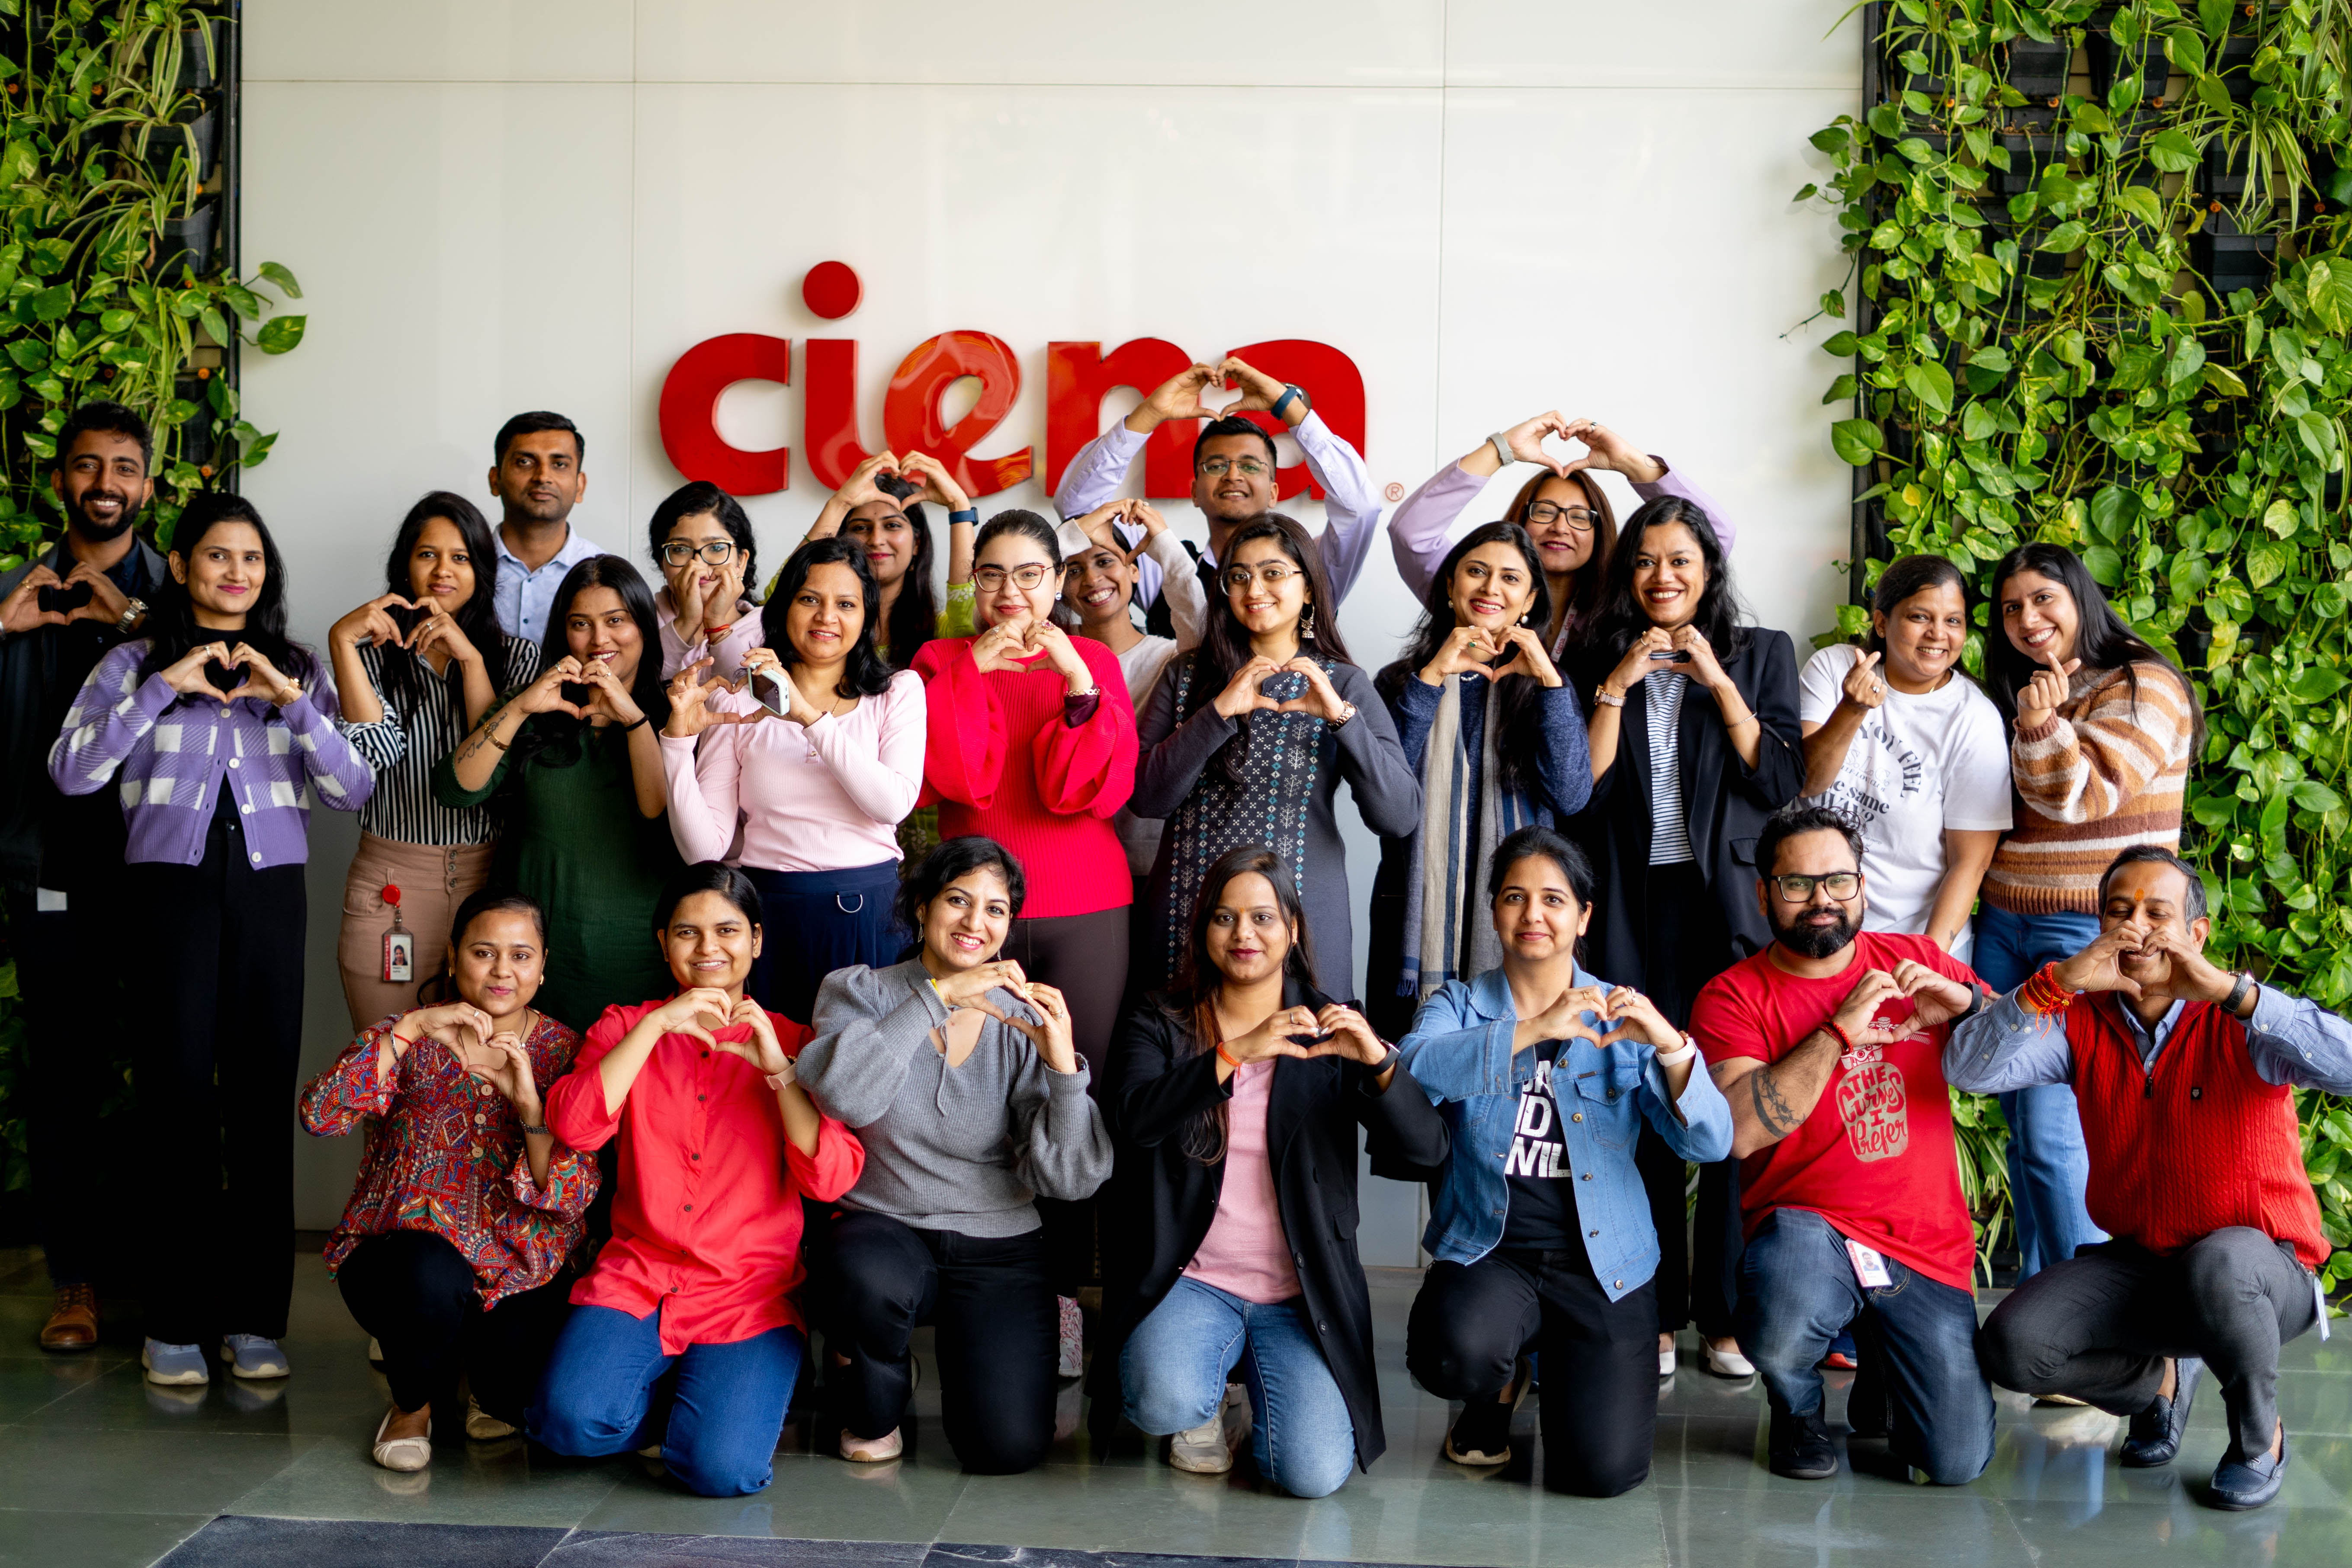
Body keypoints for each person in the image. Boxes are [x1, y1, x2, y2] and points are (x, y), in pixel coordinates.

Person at [50, 493, 373, 1386]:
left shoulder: (298, 666)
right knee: (177, 1103)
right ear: (184, 565)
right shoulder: (130, 663)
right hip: (168, 895)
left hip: (270, 894)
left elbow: (353, 788)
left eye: (252, 559)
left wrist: (293, 704)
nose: (237, 573)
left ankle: (256, 1322)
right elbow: (73, 771)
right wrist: (164, 688)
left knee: (260, 1104)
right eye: (218, 557)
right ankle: (174, 1325)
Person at [1957, 847, 2350, 1511]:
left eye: (2156, 913)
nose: (2136, 926)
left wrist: (2234, 992)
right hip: (2144, 1262)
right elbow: (1968, 1070)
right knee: (2012, 1346)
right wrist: (2055, 982)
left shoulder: (2242, 1022)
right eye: (2119, 911)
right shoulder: (2082, 1019)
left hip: (2261, 1272)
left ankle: (2260, 1443)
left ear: (2196, 934)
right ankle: (2158, 1383)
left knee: (2221, 1265)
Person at [1399, 826, 1730, 1494]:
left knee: (1601, 1474)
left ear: (1583, 917)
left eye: (1554, 899)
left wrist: (1669, 1047)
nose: (1533, 915)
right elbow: (1413, 1072)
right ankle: (1496, 1382)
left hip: (1604, 1263)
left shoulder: (1622, 1017)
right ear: (1494, 910)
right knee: (1453, 1355)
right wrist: (1535, 1030)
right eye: (1515, 897)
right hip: (1493, 1253)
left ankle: (1561, 1364)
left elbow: (1711, 1141)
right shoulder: (1458, 1005)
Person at [1110, 843, 1447, 1497]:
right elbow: (1132, 1121)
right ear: (1203, 928)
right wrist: (1235, 1052)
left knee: (1314, 1475)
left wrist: (1378, 1064)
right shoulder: (1162, 1019)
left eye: (1263, 918)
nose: (1244, 935)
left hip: (1297, 1299)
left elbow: (1426, 1148)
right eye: (1225, 917)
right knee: (1162, 1399)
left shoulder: (1329, 1025)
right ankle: (1203, 1399)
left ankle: (1249, 1395)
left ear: (1293, 929)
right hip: (1193, 1280)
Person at [530, 863, 861, 1497]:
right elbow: (576, 1127)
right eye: (687, 933)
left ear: (757, 940)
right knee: (565, 1424)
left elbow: (832, 1178)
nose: (708, 949)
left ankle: (728, 1407)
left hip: (750, 1294)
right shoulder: (624, 1027)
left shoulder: (795, 1040)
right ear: (663, 944)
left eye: (727, 931)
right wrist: (657, 1026)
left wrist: (779, 1073)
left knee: (721, 1471)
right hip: (638, 1275)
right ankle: (685, 1407)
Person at [1566, 495, 1802, 1379]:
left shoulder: (1760, 651)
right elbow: (1579, 796)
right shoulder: (1596, 654)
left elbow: (1779, 779)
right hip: (1631, 898)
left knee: (1731, 1099)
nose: (1663, 576)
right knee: (1647, 1097)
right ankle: (1659, 1308)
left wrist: (1718, 680)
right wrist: (1619, 685)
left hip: (1727, 908)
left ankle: (1728, 1316)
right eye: (1646, 561)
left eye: (1680, 560)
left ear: (1708, 570)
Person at [1692, 804, 1993, 1486]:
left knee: (1955, 1461)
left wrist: (1971, 1007)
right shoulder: (1732, 996)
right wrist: (1837, 1032)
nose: (1821, 899)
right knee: (1782, 1303)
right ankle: (1796, 1407)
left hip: (1923, 1247)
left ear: (1862, 883)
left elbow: (2021, 1048)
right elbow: (1740, 1131)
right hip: (1809, 1236)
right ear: (1765, 892)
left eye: (1838, 881)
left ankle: (1885, 1375)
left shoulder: (1915, 959)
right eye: (1798, 884)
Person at [797, 837, 1114, 1471]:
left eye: (996, 910)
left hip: (1000, 1242)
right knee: (865, 1276)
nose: (975, 923)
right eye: (958, 901)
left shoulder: (1022, 1018)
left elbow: (1071, 1179)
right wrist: (937, 997)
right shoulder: (860, 992)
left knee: (1007, 1449)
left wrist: (1061, 1069)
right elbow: (843, 1097)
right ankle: (876, 1390)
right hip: (882, 1230)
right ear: (920, 906)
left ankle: (933, 1359)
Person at [298, 889, 595, 1470]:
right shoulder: (409, 1037)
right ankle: (413, 1403)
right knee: (428, 1274)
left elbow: (571, 1196)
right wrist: (409, 1029)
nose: (503, 970)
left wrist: (530, 1106)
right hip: (406, 1262)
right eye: (484, 952)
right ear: (454, 957)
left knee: (516, 1399)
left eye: (521, 955)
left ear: (543, 965)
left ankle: (478, 1379)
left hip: (516, 1269)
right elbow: (321, 1114)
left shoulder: (566, 1050)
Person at [1977, 542, 2203, 1283]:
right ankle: (2049, 1318)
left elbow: (2085, 797)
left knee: (2052, 1138)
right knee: (2023, 1137)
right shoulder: (2035, 689)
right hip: (2004, 924)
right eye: (2011, 607)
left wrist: (2040, 726)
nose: (2026, 618)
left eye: (2043, 598)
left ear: (2080, 597)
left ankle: (2086, 1333)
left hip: (2081, 931)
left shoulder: (2145, 684)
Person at [0, 402, 167, 1352]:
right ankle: (75, 1282)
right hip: (53, 871)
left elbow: (219, 673)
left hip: (160, 868)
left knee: (172, 1069)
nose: (105, 483)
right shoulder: (14, 591)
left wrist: (139, 619)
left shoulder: (180, 590)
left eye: (123, 467)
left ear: (147, 485)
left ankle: (162, 1279)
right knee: (64, 1076)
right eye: (87, 466)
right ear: (60, 479)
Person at [1133, 513, 1418, 1001]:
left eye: (1272, 572)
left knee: (1303, 1065)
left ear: (1308, 589)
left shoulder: (1342, 684)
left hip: (1300, 917)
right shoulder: (1184, 676)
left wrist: (1341, 718)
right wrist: (1218, 711)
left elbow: (1398, 815)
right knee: (1183, 1067)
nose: (1253, 588)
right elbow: (1146, 796)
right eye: (1238, 575)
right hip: (1189, 914)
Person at [909, 512, 1137, 1074]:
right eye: (992, 575)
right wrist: (972, 668)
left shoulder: (1096, 660)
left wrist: (1078, 680)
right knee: (971, 1077)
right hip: (972, 910)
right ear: (975, 579)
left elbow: (1107, 791)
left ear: (1058, 581)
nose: (1010, 591)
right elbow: (926, 780)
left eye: (1029, 574)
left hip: (1088, 902)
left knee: (1083, 1076)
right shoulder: (939, 660)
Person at [662, 537, 924, 1023]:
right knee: (770, 1078)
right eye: (810, 600)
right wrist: (676, 745)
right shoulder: (737, 703)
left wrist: (807, 716)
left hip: (867, 913)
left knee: (861, 1084)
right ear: (783, 609)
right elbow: (705, 851)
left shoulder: (898, 693)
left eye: (845, 604)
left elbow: (891, 804)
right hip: (767, 917)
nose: (827, 616)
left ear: (866, 617)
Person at [435, 555, 680, 1031]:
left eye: (616, 621)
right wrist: (521, 706)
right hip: (535, 965)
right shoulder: (535, 704)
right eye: (580, 624)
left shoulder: (675, 710)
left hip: (639, 958)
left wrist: (631, 718)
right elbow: (456, 789)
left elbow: (659, 811)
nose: (599, 639)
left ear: (645, 627)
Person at [1371, 522, 1592, 1040]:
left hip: (1523, 920)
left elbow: (1570, 795)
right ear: (1450, 586)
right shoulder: (1400, 681)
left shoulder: (1549, 687)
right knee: (1409, 1077)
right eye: (1477, 572)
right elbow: (1384, 796)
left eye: (1510, 579)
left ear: (1529, 600)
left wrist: (1549, 684)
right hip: (1413, 917)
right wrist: (1431, 679)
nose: (1491, 588)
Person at [331, 493, 540, 1028]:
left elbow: (494, 774)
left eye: (461, 557)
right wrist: (342, 642)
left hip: (490, 887)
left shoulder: (517, 658)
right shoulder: (371, 656)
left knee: (479, 1071)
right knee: (386, 1066)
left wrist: (470, 660)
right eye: (427, 555)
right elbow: (369, 759)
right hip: (391, 889)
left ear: (482, 570)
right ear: (405, 564)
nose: (443, 570)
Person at [1054, 356, 1381, 636]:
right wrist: (1151, 413)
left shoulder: (1310, 565)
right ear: (1195, 492)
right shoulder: (1163, 563)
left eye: (1250, 466)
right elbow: (1080, 511)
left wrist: (1287, 405)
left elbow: (1360, 509)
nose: (1233, 475)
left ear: (1273, 492)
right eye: (1216, 465)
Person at [1797, 554, 2009, 962]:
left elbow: (1970, 862)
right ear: (1881, 623)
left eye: (1953, 620)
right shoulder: (1833, 667)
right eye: (1919, 616)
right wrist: (1852, 709)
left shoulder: (1974, 718)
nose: (1937, 634)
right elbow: (1808, 782)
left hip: (1909, 942)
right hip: (1814, 933)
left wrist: (1926, 962)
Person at [1386, 414, 1734, 649]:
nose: (1560, 527)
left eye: (1580, 517)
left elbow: (1711, 539)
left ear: (1601, 533)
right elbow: (1411, 534)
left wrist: (1630, 463)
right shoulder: (1482, 594)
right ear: (1519, 522)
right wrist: (1499, 449)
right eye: (1545, 512)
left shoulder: (1625, 604)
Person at [800, 450, 977, 862]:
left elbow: (968, 605)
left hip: (930, 824)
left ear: (917, 544)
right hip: (836, 822)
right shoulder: (822, 636)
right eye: (860, 528)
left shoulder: (943, 632)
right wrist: (839, 503)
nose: (875, 539)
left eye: (892, 526)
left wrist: (959, 509)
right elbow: (782, 596)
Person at [1054, 497, 1208, 885]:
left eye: (1105, 561)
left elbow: (1199, 619)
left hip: (1153, 859)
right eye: (1074, 569)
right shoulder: (1050, 653)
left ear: (1135, 570)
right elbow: (1011, 591)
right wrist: (1074, 532)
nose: (1091, 579)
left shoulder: (1168, 656)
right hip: (1072, 853)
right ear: (1059, 585)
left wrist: (1163, 542)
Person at [486, 410, 604, 644]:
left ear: (580, 486)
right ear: (495, 479)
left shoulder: (604, 573)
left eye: (559, 464)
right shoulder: (460, 566)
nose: (543, 477)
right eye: (525, 462)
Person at [646, 480, 760, 681]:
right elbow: (642, 693)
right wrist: (686, 622)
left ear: (741, 561)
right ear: (662, 562)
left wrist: (716, 624)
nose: (697, 565)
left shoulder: (767, 628)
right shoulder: (638, 623)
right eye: (680, 549)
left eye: (716, 548)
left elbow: (741, 697)